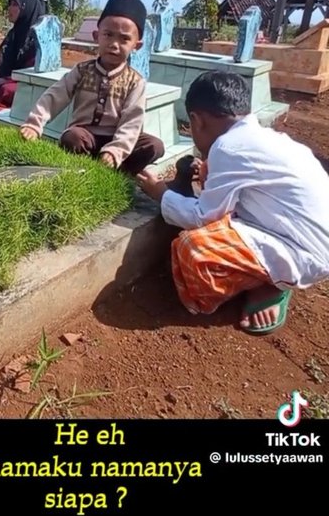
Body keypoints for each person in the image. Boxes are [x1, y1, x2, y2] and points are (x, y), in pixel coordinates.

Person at [137, 71, 329, 335]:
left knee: (191, 249)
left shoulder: (229, 148)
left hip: (302, 251)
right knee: (208, 176)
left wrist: (159, 192)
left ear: (196, 120)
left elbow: (202, 219)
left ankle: (269, 283)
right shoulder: (261, 137)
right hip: (305, 235)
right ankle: (267, 273)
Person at [20, 0, 165, 174]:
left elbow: (132, 121)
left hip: (117, 139)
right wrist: (34, 124)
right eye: (108, 35)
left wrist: (116, 150)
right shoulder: (82, 71)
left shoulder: (135, 82)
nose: (114, 44)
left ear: (137, 45)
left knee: (154, 146)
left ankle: (116, 173)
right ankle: (82, 170)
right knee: (72, 137)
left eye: (124, 39)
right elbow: (54, 96)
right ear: (97, 36)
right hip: (85, 135)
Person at [0, 0, 43, 107]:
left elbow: (29, 74)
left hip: (29, 84)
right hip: (10, 80)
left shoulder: (37, 39)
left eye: (15, 5)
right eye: (10, 4)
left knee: (5, 91)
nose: (10, 9)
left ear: (26, 9)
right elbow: (3, 70)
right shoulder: (13, 34)